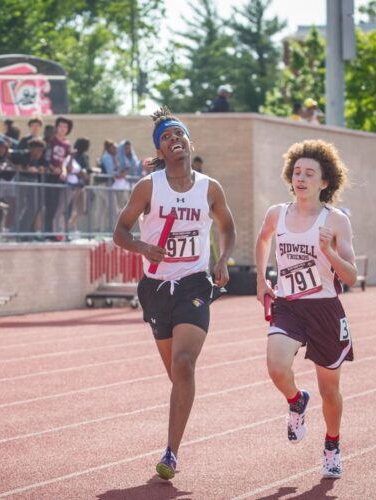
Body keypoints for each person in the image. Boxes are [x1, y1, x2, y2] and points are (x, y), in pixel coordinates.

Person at [113, 106, 236, 481]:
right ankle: (181, 414)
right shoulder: (148, 187)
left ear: (188, 142)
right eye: (166, 138)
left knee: (184, 364)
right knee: (176, 374)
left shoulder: (209, 187)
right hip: (155, 288)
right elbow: (120, 231)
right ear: (160, 151)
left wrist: (224, 259)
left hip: (195, 282)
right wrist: (142, 249)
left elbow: (227, 227)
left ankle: (171, 451)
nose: (174, 140)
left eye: (179, 134)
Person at [255, 139, 357, 479]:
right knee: (276, 366)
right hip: (289, 306)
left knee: (330, 390)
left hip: (325, 309)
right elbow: (264, 238)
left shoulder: (336, 221)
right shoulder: (277, 213)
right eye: (297, 172)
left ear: (324, 182)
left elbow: (352, 277)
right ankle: (296, 401)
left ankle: (331, 445)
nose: (301, 178)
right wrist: (260, 279)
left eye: (309, 173)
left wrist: (329, 251)